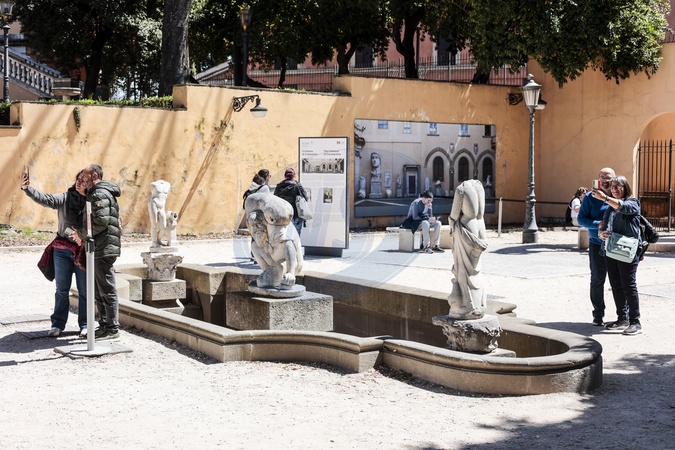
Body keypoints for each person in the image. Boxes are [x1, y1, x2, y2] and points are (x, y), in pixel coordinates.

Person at [21, 169, 88, 337]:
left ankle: (85, 324)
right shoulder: (65, 198)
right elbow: (46, 199)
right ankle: (57, 324)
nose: (79, 182)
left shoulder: (93, 201)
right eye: (78, 178)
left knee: (84, 291)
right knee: (61, 289)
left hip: (84, 251)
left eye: (83, 180)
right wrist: (28, 189)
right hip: (62, 250)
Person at [77, 164, 122, 341]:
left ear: (94, 175)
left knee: (106, 289)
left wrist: (81, 234)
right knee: (98, 289)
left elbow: (101, 222)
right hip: (100, 246)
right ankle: (104, 325)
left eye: (84, 175)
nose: (82, 179)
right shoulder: (97, 193)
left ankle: (112, 328)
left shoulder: (99, 194)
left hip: (103, 247)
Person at [593, 175, 642, 335]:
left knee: (629, 285)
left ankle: (635, 322)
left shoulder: (632, 202)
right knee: (616, 285)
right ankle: (622, 318)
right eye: (612, 187)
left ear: (625, 187)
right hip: (611, 249)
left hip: (627, 251)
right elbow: (603, 224)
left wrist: (605, 198)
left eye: (617, 186)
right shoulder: (609, 207)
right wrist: (601, 233)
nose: (614, 189)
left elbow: (623, 207)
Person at [577, 167, 615, 326]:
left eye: (608, 177)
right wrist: (598, 224)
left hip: (616, 246)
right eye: (601, 177)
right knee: (597, 280)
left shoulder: (618, 195)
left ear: (614, 179)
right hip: (596, 245)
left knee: (618, 282)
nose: (604, 180)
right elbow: (581, 219)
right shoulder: (589, 197)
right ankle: (598, 314)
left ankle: (623, 316)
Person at [274, 168, 309, 236]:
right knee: (296, 236)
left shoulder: (279, 186)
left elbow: (275, 200)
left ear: (285, 176)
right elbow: (306, 197)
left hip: (283, 215)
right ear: (294, 175)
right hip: (296, 215)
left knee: (285, 236)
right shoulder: (297, 185)